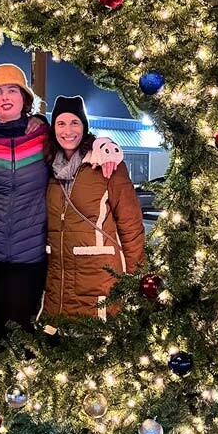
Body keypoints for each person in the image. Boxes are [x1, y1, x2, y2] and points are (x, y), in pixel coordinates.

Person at [0, 64, 121, 341]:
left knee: (18, 334)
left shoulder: (43, 136)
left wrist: (106, 146)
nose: (5, 97)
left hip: (26, 256)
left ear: (24, 97)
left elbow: (75, 138)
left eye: (12, 90)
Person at [42, 96, 145, 318]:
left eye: (74, 123)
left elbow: (131, 224)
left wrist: (135, 276)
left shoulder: (106, 164)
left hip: (100, 275)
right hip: (58, 274)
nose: (68, 131)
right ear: (54, 128)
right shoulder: (47, 166)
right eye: (61, 123)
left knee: (96, 339)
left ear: (84, 127)